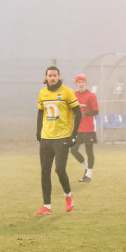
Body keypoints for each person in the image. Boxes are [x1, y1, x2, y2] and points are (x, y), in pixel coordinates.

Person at [35, 65, 81, 215]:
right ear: (46, 77)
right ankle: (46, 206)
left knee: (60, 170)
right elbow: (40, 113)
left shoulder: (67, 92)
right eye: (50, 75)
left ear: (59, 77)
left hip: (62, 137)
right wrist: (38, 131)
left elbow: (78, 113)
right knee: (45, 172)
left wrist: (74, 134)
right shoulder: (42, 93)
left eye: (55, 75)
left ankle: (68, 196)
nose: (52, 78)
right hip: (46, 138)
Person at [70, 73, 99, 182]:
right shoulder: (74, 95)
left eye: (82, 82)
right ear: (76, 84)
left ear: (85, 83)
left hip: (89, 129)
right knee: (73, 150)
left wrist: (84, 114)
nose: (81, 84)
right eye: (79, 82)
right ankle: (86, 167)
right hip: (78, 129)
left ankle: (89, 175)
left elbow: (96, 111)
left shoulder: (91, 95)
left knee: (89, 151)